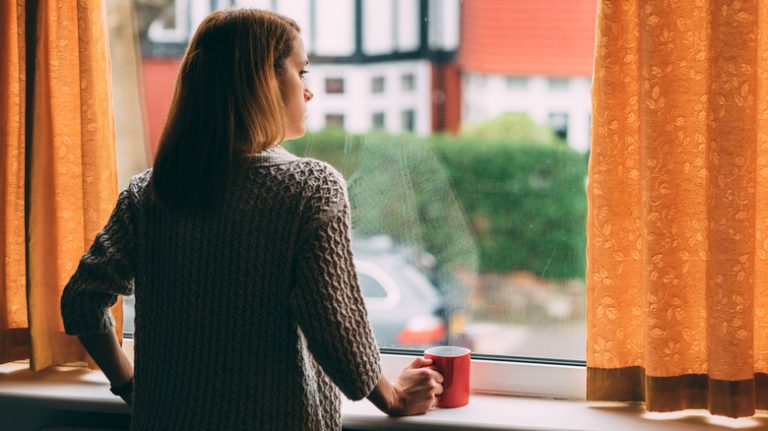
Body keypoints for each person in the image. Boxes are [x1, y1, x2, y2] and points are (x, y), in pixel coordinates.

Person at [60, 8, 443, 431]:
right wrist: (390, 395)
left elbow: (82, 298)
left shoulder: (150, 193)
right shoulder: (310, 188)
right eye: (302, 72)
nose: (309, 91)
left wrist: (131, 385)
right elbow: (335, 324)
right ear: (262, 80)